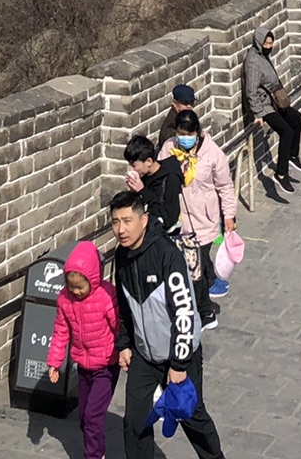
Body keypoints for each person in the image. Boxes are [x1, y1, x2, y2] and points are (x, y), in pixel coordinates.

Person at [110, 190, 225, 459]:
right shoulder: (121, 257)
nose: (121, 229)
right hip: (144, 356)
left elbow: (184, 312)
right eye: (115, 222)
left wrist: (178, 364)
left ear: (144, 220)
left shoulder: (167, 256)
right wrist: (124, 344)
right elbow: (124, 304)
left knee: (192, 416)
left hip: (179, 354)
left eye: (127, 221)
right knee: (134, 423)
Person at [45, 240, 120, 459]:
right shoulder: (65, 299)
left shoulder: (106, 295)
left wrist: (125, 352)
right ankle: (97, 449)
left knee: (93, 416)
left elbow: (118, 326)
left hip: (106, 365)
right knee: (83, 417)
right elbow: (61, 331)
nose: (76, 291)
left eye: (80, 287)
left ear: (93, 279)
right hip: (84, 366)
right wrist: (54, 362)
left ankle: (94, 456)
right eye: (72, 287)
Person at [162, 109, 236, 327]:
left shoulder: (213, 154)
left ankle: (204, 313)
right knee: (185, 270)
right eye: (181, 133)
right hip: (178, 222)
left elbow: (225, 186)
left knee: (197, 270)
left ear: (197, 132)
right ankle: (194, 309)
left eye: (189, 133)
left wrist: (229, 215)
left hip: (205, 222)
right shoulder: (169, 149)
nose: (185, 137)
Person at [241, 27, 301, 193]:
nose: (269, 46)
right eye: (266, 43)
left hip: (274, 101)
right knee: (286, 131)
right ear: (259, 42)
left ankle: (292, 155)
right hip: (264, 106)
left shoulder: (264, 57)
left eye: (271, 43)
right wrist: (257, 113)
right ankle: (281, 174)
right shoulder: (254, 62)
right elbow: (251, 90)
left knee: (296, 118)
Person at [125, 135, 184, 235]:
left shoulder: (170, 178)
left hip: (164, 238)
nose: (131, 170)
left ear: (148, 162)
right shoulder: (143, 177)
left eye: (134, 165)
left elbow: (169, 217)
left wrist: (142, 191)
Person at [156, 83, 199, 152]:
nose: (189, 106)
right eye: (185, 103)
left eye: (191, 102)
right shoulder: (170, 126)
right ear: (174, 103)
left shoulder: (189, 118)